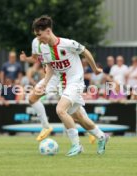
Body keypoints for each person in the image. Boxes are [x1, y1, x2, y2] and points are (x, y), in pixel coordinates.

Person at [33, 15, 109, 156]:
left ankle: (76, 145)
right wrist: (44, 82)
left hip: (76, 82)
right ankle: (101, 137)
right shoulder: (43, 48)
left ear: (48, 31)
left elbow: (85, 51)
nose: (38, 38)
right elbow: (50, 67)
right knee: (79, 117)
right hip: (64, 85)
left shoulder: (68, 44)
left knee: (60, 110)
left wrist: (94, 69)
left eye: (39, 35)